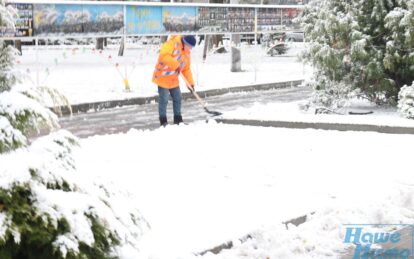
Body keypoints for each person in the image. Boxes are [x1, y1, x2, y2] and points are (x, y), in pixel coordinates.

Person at [152, 35, 196, 126]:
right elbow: (164, 55)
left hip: (173, 79)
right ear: (185, 43)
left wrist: (190, 83)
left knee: (178, 97)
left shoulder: (187, 54)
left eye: (192, 47)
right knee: (164, 99)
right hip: (162, 77)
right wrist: (175, 64)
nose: (190, 49)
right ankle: (163, 121)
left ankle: (178, 119)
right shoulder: (172, 44)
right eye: (190, 46)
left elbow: (186, 69)